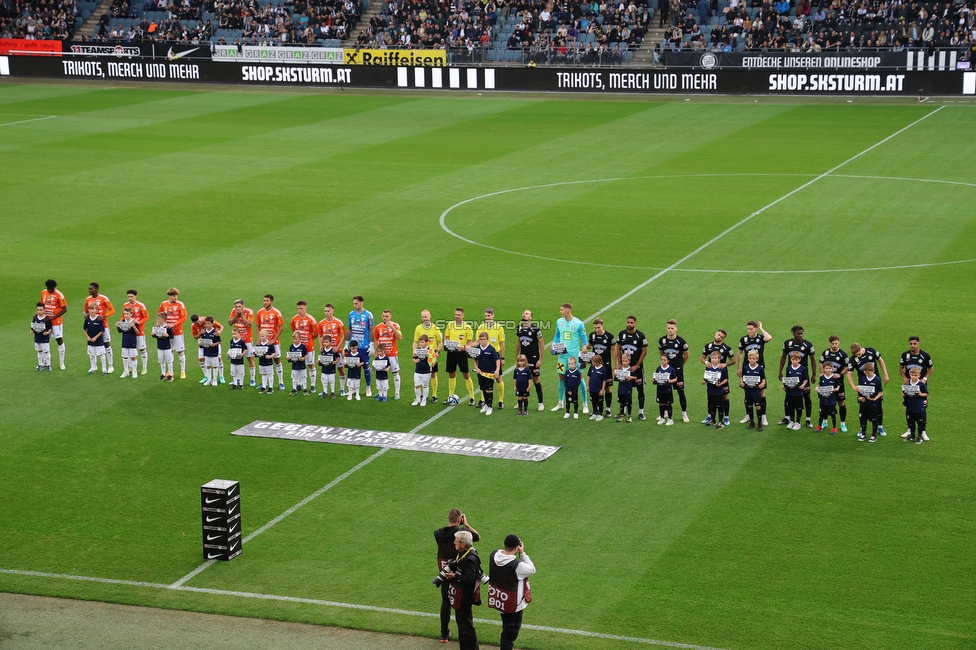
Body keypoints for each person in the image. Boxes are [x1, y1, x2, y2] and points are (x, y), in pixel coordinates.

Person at [434, 509, 481, 644]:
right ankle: (463, 632)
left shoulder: (437, 533)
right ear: (460, 519)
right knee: (459, 602)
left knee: (445, 602)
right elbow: (477, 537)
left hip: (444, 571)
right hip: (459, 571)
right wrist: (466, 525)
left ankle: (444, 634)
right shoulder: (460, 535)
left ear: (448, 517)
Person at [488, 534, 536, 650]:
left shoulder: (494, 555)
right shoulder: (517, 565)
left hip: (501, 601)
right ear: (516, 548)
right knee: (509, 636)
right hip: (513, 605)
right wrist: (523, 553)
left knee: (506, 630)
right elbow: (532, 569)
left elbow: (501, 554)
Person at [443, 530, 482, 650]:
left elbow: (470, 579)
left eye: (456, 541)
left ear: (463, 544)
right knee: (461, 625)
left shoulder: (471, 558)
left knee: (467, 627)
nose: (454, 542)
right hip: (460, 595)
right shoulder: (462, 554)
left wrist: (455, 576)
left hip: (465, 597)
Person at [549, 303, 588, 414]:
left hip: (574, 356)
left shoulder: (579, 324)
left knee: (579, 377)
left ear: (568, 311)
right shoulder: (559, 322)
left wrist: (585, 348)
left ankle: (585, 404)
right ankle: (560, 402)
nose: (560, 312)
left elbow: (584, 339)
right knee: (561, 377)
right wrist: (553, 345)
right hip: (562, 355)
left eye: (562, 310)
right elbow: (557, 335)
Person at [847, 342, 890, 437]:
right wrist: (853, 386)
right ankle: (862, 429)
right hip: (863, 386)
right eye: (855, 355)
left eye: (858, 354)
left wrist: (885, 374)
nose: (857, 356)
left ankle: (880, 426)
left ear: (861, 348)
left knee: (878, 406)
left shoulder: (871, 351)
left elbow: (880, 360)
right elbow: (849, 374)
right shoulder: (852, 359)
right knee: (862, 407)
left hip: (875, 383)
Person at [777, 325, 816, 428]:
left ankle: (808, 419)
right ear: (793, 333)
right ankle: (787, 417)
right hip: (791, 374)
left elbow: (813, 359)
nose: (800, 335)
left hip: (803, 374)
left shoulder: (808, 344)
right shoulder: (787, 343)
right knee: (789, 396)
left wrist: (814, 374)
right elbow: (783, 357)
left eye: (802, 333)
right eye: (798, 334)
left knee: (806, 396)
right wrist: (780, 371)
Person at [735, 320, 772, 425]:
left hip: (759, 368)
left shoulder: (760, 338)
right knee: (747, 392)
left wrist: (761, 328)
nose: (749, 331)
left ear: (755, 328)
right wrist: (738, 367)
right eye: (748, 329)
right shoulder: (744, 339)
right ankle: (748, 415)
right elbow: (739, 353)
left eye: (751, 329)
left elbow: (769, 338)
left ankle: (763, 416)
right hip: (747, 369)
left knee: (761, 392)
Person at [899, 335, 933, 438]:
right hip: (909, 386)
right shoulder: (905, 355)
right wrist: (905, 378)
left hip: (920, 386)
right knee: (909, 406)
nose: (912, 346)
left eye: (914, 344)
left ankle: (923, 431)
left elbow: (931, 368)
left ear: (918, 344)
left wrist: (925, 378)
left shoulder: (925, 356)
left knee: (922, 407)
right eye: (910, 344)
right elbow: (901, 368)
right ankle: (910, 430)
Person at [616, 316, 648, 420]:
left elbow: (644, 351)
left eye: (632, 323)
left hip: (636, 368)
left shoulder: (640, 335)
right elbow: (618, 349)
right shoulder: (621, 334)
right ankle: (623, 411)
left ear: (635, 324)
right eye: (628, 322)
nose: (629, 324)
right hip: (624, 368)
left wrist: (637, 365)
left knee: (640, 389)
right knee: (623, 389)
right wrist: (619, 364)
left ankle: (641, 412)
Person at [658, 319, 690, 422]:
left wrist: (680, 365)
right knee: (665, 391)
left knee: (680, 391)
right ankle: (665, 413)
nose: (670, 330)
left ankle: (684, 413)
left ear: (676, 328)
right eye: (668, 328)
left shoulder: (681, 341)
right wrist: (665, 364)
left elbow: (686, 355)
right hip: (666, 370)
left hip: (677, 370)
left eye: (672, 328)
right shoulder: (662, 340)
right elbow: (661, 353)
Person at [701, 329, 735, 425]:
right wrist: (706, 362)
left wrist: (725, 364)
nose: (719, 337)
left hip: (722, 375)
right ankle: (710, 417)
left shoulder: (727, 348)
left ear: (723, 338)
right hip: (710, 374)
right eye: (718, 334)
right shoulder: (708, 346)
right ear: (715, 333)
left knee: (724, 396)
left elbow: (733, 360)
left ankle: (726, 417)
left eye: (721, 336)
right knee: (710, 396)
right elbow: (702, 357)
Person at [444, 307, 476, 406]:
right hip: (451, 352)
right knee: (451, 373)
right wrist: (448, 344)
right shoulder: (450, 325)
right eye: (455, 315)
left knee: (466, 374)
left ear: (463, 315)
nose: (457, 316)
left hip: (462, 353)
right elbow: (446, 337)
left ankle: (472, 397)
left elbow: (470, 342)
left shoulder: (467, 327)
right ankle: (450, 396)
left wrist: (464, 347)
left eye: (459, 315)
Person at [515, 310, 545, 411]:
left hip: (534, 358)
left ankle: (540, 402)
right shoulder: (519, 328)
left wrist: (540, 359)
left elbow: (542, 344)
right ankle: (521, 399)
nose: (524, 314)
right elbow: (518, 343)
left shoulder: (535, 329)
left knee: (536, 380)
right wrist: (516, 357)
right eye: (523, 313)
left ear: (531, 317)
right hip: (523, 359)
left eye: (527, 313)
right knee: (521, 378)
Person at [819, 335, 850, 433]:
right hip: (826, 383)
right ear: (829, 343)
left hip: (838, 383)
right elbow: (821, 363)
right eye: (832, 343)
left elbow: (847, 367)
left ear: (839, 342)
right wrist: (822, 373)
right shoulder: (825, 353)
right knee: (825, 402)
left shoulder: (843, 354)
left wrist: (840, 374)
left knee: (841, 403)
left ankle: (843, 423)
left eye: (836, 343)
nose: (834, 345)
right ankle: (824, 421)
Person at [476, 308, 506, 409]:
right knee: (483, 377)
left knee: (498, 378)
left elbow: (502, 343)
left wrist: (502, 357)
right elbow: (477, 342)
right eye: (485, 316)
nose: (487, 318)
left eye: (489, 316)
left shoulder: (499, 328)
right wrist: (469, 347)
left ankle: (501, 401)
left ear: (493, 315)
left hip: (494, 355)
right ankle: (483, 400)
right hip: (482, 354)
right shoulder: (481, 327)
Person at [84, 282, 116, 374]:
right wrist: (85, 315)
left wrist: (104, 316)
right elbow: (86, 311)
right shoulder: (87, 299)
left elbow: (112, 310)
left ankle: (110, 365)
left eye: (91, 289)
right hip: (92, 326)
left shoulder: (103, 299)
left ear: (96, 289)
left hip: (103, 325)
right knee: (92, 344)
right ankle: (94, 367)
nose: (89, 290)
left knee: (106, 344)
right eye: (89, 289)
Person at [347, 295, 375, 397]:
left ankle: (368, 388)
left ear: (362, 303)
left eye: (356, 303)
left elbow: (372, 331)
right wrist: (347, 344)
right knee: (352, 366)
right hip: (353, 346)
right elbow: (349, 329)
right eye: (353, 303)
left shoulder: (368, 315)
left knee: (366, 366)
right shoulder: (351, 314)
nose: (354, 305)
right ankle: (353, 388)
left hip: (364, 346)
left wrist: (371, 345)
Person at [257, 294, 286, 391]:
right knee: (263, 360)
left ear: (271, 302)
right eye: (264, 300)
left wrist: (274, 339)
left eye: (267, 301)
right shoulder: (260, 312)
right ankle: (264, 383)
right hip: (263, 342)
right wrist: (258, 339)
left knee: (277, 360)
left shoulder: (276, 313)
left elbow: (281, 327)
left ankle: (281, 382)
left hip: (274, 342)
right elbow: (257, 326)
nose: (265, 302)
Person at [587, 318, 615, 417]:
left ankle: (608, 409)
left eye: (598, 327)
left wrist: (615, 366)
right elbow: (590, 345)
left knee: (607, 388)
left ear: (602, 325)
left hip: (606, 366)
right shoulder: (592, 335)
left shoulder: (609, 336)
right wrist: (585, 347)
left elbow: (614, 351)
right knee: (594, 387)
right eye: (595, 328)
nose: (597, 330)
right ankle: (596, 409)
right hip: (594, 365)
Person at [158, 287, 188, 379]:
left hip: (177, 332)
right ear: (169, 296)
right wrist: (158, 323)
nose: (175, 297)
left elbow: (184, 318)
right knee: (169, 351)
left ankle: (183, 371)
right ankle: (170, 371)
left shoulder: (180, 304)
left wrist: (174, 323)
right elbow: (160, 315)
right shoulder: (163, 304)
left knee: (180, 351)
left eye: (176, 296)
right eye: (173, 296)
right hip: (166, 332)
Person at [414, 310, 443, 402]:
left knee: (433, 374)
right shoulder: (418, 328)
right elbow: (415, 342)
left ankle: (434, 395)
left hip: (431, 353)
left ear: (430, 316)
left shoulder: (435, 328)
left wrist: (437, 352)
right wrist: (414, 351)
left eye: (426, 317)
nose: (424, 319)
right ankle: (424, 395)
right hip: (421, 352)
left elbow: (440, 342)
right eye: (422, 317)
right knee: (421, 373)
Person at [373, 309, 403, 400]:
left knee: (395, 373)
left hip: (392, 354)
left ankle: (397, 393)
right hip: (381, 355)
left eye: (387, 316)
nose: (385, 318)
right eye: (383, 316)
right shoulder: (378, 327)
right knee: (380, 373)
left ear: (390, 317)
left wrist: (392, 327)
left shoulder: (396, 325)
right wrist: (376, 352)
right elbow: (376, 339)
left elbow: (400, 337)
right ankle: (380, 393)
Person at [317, 304, 346, 394]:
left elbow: (343, 336)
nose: (327, 313)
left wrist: (337, 347)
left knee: (340, 369)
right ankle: (325, 390)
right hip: (326, 351)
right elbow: (319, 335)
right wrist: (321, 345)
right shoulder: (321, 323)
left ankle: (342, 389)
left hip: (336, 351)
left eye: (328, 311)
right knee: (325, 370)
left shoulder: (338, 322)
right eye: (325, 311)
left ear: (332, 311)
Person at [291, 301, 318, 394]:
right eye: (298, 308)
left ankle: (313, 385)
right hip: (298, 347)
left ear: (305, 308)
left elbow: (316, 333)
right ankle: (299, 384)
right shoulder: (294, 319)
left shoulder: (311, 319)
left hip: (309, 347)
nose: (299, 310)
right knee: (298, 366)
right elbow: (294, 331)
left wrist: (308, 340)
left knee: (310, 365)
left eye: (301, 308)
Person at [40, 279, 68, 370]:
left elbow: (64, 309)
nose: (49, 290)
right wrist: (39, 314)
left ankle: (62, 362)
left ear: (54, 287)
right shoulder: (43, 292)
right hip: (45, 321)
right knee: (44, 340)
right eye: (48, 288)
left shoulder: (59, 295)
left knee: (59, 340)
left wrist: (53, 317)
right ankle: (45, 362)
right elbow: (41, 305)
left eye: (51, 289)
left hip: (56, 322)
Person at [228, 299, 256, 386]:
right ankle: (237, 379)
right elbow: (229, 323)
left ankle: (252, 379)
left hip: (247, 340)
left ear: (243, 306)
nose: (237, 308)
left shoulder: (249, 312)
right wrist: (236, 315)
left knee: (249, 358)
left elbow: (249, 324)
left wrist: (243, 316)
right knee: (236, 359)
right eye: (236, 307)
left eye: (239, 306)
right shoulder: (234, 311)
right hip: (237, 340)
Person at [191, 314, 225, 384]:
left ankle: (221, 376)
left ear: (199, 318)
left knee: (218, 359)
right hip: (203, 343)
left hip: (213, 342)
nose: (198, 323)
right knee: (201, 359)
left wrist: (219, 332)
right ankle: (206, 376)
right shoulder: (194, 325)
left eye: (198, 321)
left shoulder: (207, 320)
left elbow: (221, 326)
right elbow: (195, 337)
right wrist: (200, 333)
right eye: (196, 323)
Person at [474, 332, 501, 416]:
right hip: (481, 372)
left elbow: (497, 360)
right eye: (480, 339)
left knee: (489, 389)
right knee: (483, 388)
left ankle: (490, 406)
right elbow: (474, 359)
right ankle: (486, 404)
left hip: (489, 373)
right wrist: (476, 368)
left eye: (483, 339)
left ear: (487, 339)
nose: (482, 341)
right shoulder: (477, 348)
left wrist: (497, 370)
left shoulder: (491, 349)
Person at [855, 362, 884, 442]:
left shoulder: (877, 379)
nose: (867, 374)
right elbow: (861, 390)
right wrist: (860, 397)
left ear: (873, 371)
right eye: (866, 373)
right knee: (863, 418)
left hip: (873, 403)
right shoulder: (863, 379)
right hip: (864, 403)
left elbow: (880, 392)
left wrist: (875, 398)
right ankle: (863, 434)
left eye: (869, 373)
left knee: (874, 419)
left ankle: (873, 435)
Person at [125, 289, 150, 375]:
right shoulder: (126, 305)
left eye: (131, 296)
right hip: (129, 331)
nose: (130, 298)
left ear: (135, 296)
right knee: (129, 349)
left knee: (142, 349)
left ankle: (144, 368)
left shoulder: (141, 306)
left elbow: (146, 317)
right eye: (128, 296)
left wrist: (138, 322)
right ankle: (131, 367)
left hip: (139, 331)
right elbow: (123, 316)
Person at [782, 351, 809, 430]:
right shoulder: (788, 368)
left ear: (799, 360)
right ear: (791, 359)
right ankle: (792, 421)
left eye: (796, 359)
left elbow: (805, 379)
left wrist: (803, 385)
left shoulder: (803, 369)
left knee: (798, 407)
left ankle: (798, 422)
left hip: (798, 392)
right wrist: (784, 385)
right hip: (790, 391)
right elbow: (787, 379)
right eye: (793, 359)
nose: (794, 361)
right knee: (791, 407)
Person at [739, 350, 765, 431]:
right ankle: (752, 422)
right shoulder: (745, 367)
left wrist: (762, 384)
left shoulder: (760, 368)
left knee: (757, 406)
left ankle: (760, 423)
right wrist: (741, 383)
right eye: (750, 358)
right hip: (748, 390)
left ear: (757, 359)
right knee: (749, 406)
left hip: (756, 391)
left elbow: (763, 379)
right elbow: (742, 378)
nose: (752, 360)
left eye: (753, 358)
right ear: (748, 359)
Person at [703, 350, 729, 429]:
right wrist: (704, 381)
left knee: (720, 406)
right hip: (710, 390)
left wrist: (720, 384)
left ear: (719, 359)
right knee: (711, 405)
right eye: (712, 358)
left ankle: (720, 421)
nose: (713, 359)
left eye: (715, 358)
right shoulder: (708, 367)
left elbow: (726, 379)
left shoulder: (722, 368)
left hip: (718, 390)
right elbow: (706, 377)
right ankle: (713, 420)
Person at [902, 366, 929, 444]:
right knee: (911, 421)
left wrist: (921, 394)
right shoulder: (908, 384)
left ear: (919, 376)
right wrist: (903, 394)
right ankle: (912, 435)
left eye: (915, 375)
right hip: (910, 406)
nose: (913, 377)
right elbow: (904, 392)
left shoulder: (921, 385)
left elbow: (926, 394)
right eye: (912, 375)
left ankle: (920, 436)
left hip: (919, 406)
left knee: (920, 422)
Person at [816, 360, 840, 433]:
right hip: (823, 399)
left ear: (832, 369)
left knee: (832, 413)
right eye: (826, 368)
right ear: (823, 369)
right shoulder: (822, 377)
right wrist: (816, 388)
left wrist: (836, 389)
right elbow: (820, 384)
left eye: (830, 368)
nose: (828, 370)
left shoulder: (834, 377)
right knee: (822, 412)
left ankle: (834, 427)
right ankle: (819, 426)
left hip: (831, 399)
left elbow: (838, 385)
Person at [653, 354, 678, 426]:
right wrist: (653, 380)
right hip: (660, 389)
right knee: (661, 404)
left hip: (667, 390)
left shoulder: (671, 369)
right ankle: (662, 417)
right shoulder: (658, 368)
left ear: (668, 361)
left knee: (668, 404)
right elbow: (656, 377)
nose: (663, 361)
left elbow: (675, 379)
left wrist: (670, 381)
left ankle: (670, 419)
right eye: (661, 360)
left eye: (664, 360)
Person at [83, 303, 107, 375]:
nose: (91, 311)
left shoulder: (99, 319)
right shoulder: (87, 319)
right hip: (90, 341)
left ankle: (104, 369)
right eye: (90, 309)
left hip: (98, 340)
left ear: (96, 310)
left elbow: (102, 330)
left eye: (93, 309)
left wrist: (95, 337)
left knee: (101, 354)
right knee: (91, 355)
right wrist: (87, 337)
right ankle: (93, 368)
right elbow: (84, 329)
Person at [116, 306, 139, 379]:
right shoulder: (122, 322)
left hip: (132, 341)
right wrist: (117, 326)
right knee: (124, 356)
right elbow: (119, 332)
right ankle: (126, 371)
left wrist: (134, 327)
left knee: (133, 357)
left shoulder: (134, 321)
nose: (126, 315)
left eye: (127, 314)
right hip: (125, 341)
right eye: (125, 314)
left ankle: (134, 371)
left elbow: (137, 332)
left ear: (131, 314)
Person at [199, 316, 222, 387]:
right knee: (208, 366)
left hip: (214, 352)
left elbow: (219, 342)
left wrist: (214, 344)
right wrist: (200, 343)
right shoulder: (203, 331)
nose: (207, 325)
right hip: (206, 351)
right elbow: (202, 341)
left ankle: (214, 380)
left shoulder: (215, 332)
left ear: (212, 324)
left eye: (208, 324)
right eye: (206, 323)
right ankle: (209, 380)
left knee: (215, 366)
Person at [150, 313, 174, 381]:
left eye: (158, 319)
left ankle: (170, 374)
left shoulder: (168, 327)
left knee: (169, 361)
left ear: (163, 319)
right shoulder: (157, 327)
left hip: (167, 347)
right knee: (161, 360)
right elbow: (156, 336)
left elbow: (172, 336)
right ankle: (163, 374)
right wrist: (153, 334)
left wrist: (167, 335)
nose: (157, 320)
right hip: (160, 346)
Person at [412, 335, 434, 406]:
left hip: (426, 371)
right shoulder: (417, 350)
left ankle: (424, 400)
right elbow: (414, 358)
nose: (420, 344)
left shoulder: (430, 350)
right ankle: (418, 399)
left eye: (422, 342)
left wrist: (431, 361)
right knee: (417, 385)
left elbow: (434, 361)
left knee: (425, 386)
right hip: (417, 370)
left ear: (426, 342)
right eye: (420, 342)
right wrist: (415, 361)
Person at [587, 353, 609, 422]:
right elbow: (589, 376)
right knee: (593, 401)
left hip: (598, 389)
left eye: (593, 362)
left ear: (598, 362)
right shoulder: (592, 367)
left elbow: (604, 381)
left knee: (599, 402)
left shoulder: (603, 370)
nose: (592, 363)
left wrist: (602, 390)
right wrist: (588, 385)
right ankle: (595, 412)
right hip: (592, 388)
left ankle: (600, 414)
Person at [615, 353, 637, 422]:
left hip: (627, 389)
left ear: (629, 361)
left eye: (626, 361)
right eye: (623, 361)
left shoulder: (630, 370)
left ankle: (629, 416)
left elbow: (635, 378)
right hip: (621, 389)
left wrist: (631, 377)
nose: (624, 363)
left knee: (628, 403)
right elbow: (616, 377)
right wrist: (615, 374)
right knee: (621, 403)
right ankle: (621, 415)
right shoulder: (620, 369)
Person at [286, 330, 309, 396]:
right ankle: (294, 389)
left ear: (299, 338)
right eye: (293, 339)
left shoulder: (303, 346)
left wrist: (303, 358)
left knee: (303, 377)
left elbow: (306, 354)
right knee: (294, 377)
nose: (294, 340)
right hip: (294, 365)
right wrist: (288, 357)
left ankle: (305, 389)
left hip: (302, 365)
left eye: (296, 339)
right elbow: (290, 355)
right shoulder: (291, 346)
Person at [31, 303, 52, 371]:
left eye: (41, 310)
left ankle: (48, 365)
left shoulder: (47, 319)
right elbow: (33, 327)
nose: (39, 311)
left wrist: (47, 332)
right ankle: (40, 365)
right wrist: (32, 331)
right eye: (38, 310)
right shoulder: (35, 318)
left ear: (44, 310)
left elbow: (50, 328)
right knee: (39, 351)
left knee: (46, 351)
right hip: (37, 338)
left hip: (44, 338)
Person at [255, 330, 276, 394]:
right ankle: (263, 387)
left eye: (263, 336)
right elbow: (256, 352)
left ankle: (270, 387)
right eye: (260, 336)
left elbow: (274, 353)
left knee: (270, 375)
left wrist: (270, 356)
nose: (261, 337)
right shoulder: (259, 344)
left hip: (268, 363)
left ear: (267, 336)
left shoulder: (270, 344)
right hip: (261, 362)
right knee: (263, 374)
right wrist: (254, 355)